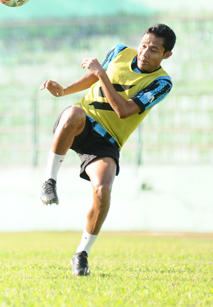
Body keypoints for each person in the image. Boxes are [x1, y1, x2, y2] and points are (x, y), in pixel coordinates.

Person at [39, 23, 175, 276]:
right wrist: (65, 91)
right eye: (144, 45)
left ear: (166, 55)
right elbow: (94, 76)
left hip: (107, 140)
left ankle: (82, 253)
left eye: (154, 50)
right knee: (73, 114)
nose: (144, 53)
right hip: (83, 121)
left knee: (103, 190)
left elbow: (123, 111)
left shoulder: (162, 83)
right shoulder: (120, 51)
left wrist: (101, 74)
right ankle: (49, 181)